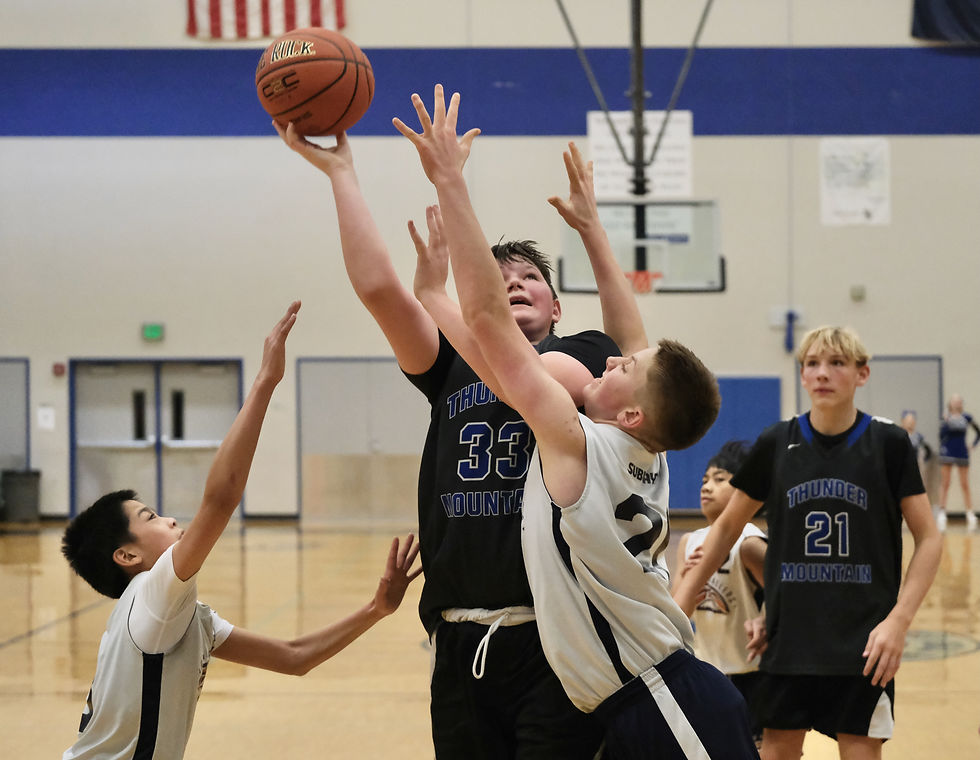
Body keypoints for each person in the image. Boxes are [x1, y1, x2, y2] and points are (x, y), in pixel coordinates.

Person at [396, 83, 759, 759]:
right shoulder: (632, 443)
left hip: (662, 701)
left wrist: (449, 182)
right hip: (641, 695)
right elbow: (619, 337)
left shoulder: (576, 442)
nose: (615, 357)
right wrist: (592, 229)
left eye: (624, 367)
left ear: (630, 409)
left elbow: (484, 323)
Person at [275, 122, 635, 757]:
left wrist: (590, 235)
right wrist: (341, 175)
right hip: (462, 636)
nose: (515, 282)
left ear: (556, 308)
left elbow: (609, 349)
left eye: (530, 277)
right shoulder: (451, 369)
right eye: (498, 277)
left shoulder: (584, 358)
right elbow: (382, 291)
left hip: (563, 632)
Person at [60, 302, 422, 760]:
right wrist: (265, 382)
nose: (170, 519)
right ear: (127, 557)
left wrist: (376, 609)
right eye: (151, 518)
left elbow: (294, 657)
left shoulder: (184, 615)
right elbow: (222, 497)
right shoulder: (153, 597)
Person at [672, 325, 943, 760]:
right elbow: (724, 529)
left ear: (862, 374)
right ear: (801, 375)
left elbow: (929, 539)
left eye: (837, 363)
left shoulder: (889, 444)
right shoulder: (778, 442)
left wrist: (898, 622)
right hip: (788, 640)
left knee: (860, 750)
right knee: (776, 750)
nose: (822, 373)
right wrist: (678, 607)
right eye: (812, 364)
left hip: (865, 643)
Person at [675, 439, 767, 745]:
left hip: (751, 674)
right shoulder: (689, 542)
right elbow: (677, 613)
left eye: (719, 479)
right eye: (704, 480)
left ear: (745, 490)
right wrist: (688, 577)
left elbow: (786, 602)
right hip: (707, 672)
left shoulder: (751, 543)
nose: (707, 486)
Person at [936, 393, 980, 532]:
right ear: (950, 403)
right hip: (947, 451)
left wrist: (973, 445)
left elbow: (978, 431)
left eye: (959, 400)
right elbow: (941, 435)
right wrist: (945, 422)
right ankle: (942, 512)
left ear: (961, 403)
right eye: (954, 400)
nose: (956, 402)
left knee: (964, 483)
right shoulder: (945, 417)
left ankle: (969, 513)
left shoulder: (966, 418)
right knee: (945, 482)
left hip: (962, 451)